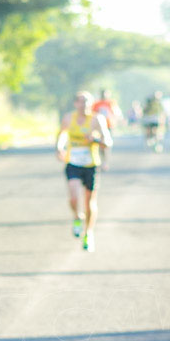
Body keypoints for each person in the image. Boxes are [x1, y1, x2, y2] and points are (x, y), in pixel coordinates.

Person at [56, 91, 113, 252]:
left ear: (91, 104)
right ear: (75, 104)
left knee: (89, 203)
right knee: (74, 198)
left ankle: (88, 232)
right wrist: (59, 147)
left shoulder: (97, 119)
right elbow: (61, 134)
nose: (84, 105)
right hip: (73, 162)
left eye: (87, 102)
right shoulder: (68, 118)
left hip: (90, 165)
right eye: (81, 102)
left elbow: (107, 142)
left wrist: (95, 140)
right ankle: (76, 217)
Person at [91, 89, 121, 171]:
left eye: (106, 94)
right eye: (103, 94)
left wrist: (116, 120)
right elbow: (92, 114)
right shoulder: (96, 104)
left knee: (106, 145)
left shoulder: (111, 103)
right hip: (98, 127)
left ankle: (105, 162)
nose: (104, 96)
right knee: (98, 144)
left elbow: (116, 113)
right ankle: (99, 161)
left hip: (108, 126)